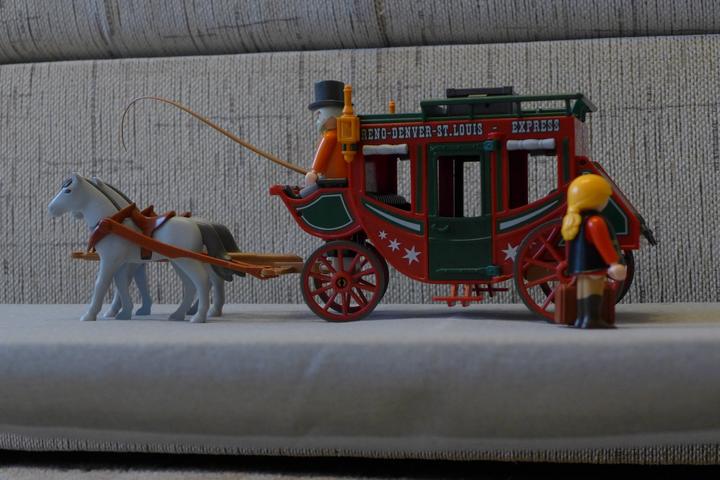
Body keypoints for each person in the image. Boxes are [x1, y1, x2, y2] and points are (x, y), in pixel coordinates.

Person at [561, 174, 627, 329]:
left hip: (581, 266)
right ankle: (592, 319)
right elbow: (604, 245)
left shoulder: (573, 220)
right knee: (594, 290)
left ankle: (581, 319)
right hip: (594, 265)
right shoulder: (595, 221)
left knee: (583, 289)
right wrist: (613, 263)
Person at [301, 80, 347, 197]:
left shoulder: (330, 136)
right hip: (337, 178)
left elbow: (321, 158)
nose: (317, 119)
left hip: (332, 180)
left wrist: (313, 172)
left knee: (304, 194)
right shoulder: (341, 134)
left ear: (330, 115)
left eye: (319, 115)